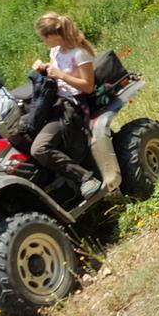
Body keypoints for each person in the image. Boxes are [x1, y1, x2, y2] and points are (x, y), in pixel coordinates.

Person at [28, 13, 102, 199]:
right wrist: (44, 69)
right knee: (22, 129)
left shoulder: (79, 54)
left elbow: (88, 86)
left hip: (73, 106)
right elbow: (54, 74)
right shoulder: (55, 51)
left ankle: (85, 178)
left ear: (53, 35)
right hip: (54, 102)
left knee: (39, 149)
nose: (44, 42)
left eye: (44, 38)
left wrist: (60, 74)